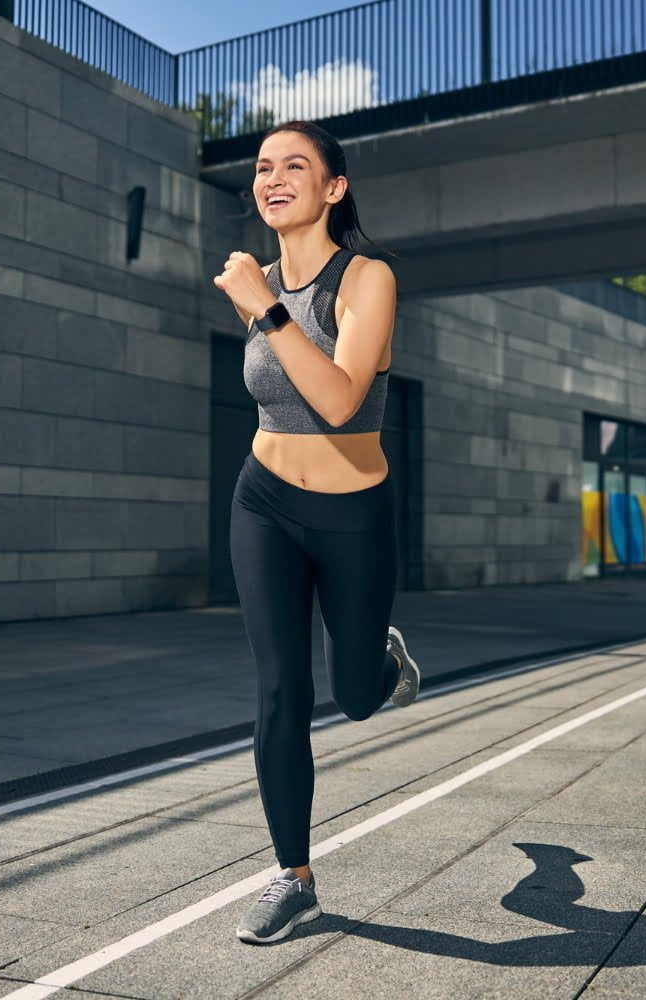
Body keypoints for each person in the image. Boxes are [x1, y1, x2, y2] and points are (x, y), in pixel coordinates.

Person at [211, 120, 421, 945]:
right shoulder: (256, 280)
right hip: (263, 502)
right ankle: (293, 876)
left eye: (295, 165)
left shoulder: (367, 278)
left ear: (333, 188)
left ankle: (384, 667)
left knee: (353, 697)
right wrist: (261, 302)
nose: (274, 177)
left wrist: (266, 311)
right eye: (264, 167)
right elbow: (281, 396)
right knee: (280, 692)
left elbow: (337, 401)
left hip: (353, 513)